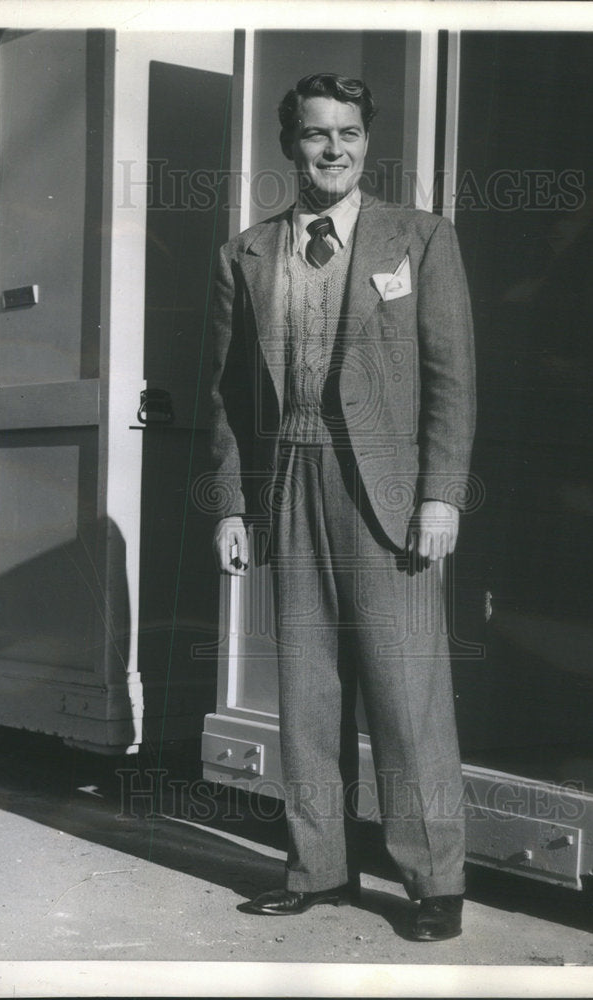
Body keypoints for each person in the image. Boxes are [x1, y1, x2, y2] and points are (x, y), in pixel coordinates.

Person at [207, 73, 475, 942]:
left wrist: (440, 495)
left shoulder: (420, 239)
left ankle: (434, 882)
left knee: (407, 691)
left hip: (389, 496)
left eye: (350, 134)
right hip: (289, 480)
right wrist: (231, 505)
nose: (334, 150)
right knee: (309, 690)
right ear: (290, 145)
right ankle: (317, 869)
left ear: (366, 142)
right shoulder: (246, 253)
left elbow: (451, 381)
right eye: (318, 134)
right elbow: (224, 395)